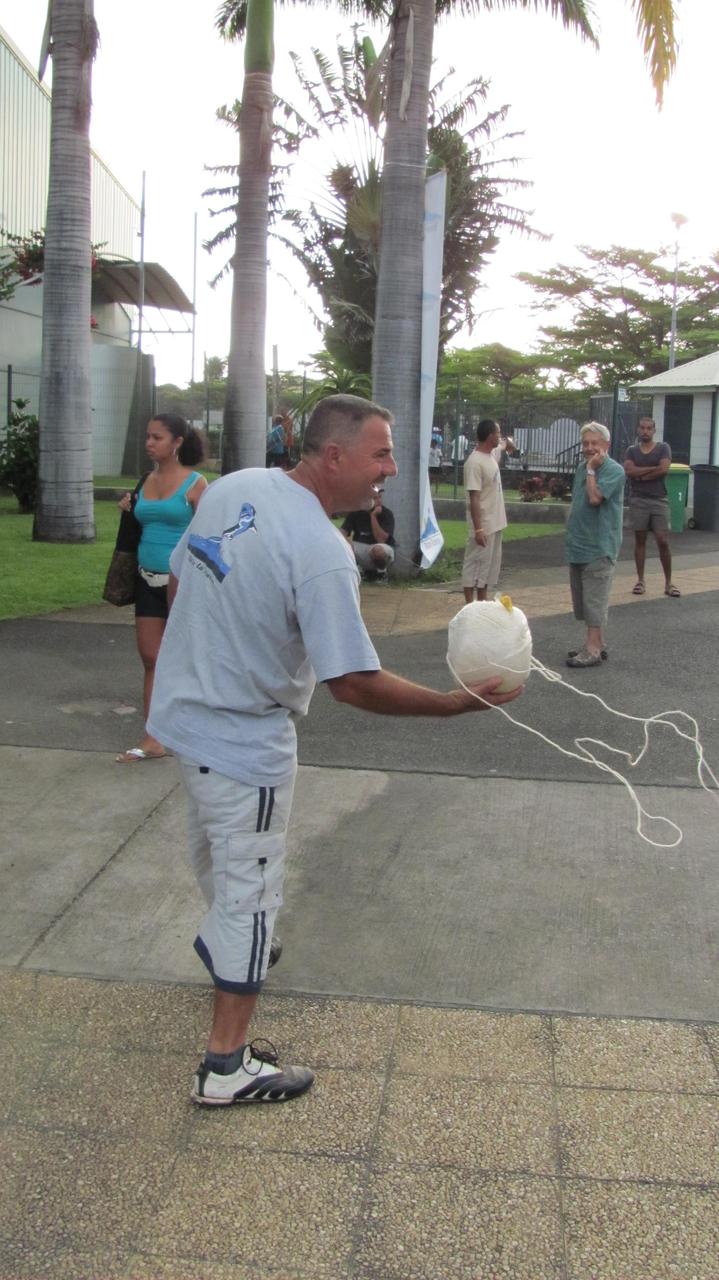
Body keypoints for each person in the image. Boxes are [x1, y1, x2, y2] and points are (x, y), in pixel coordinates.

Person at [147, 393, 523, 1107]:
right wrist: (451, 705)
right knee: (252, 899)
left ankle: (222, 943)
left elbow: (197, 568)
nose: (389, 468)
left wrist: (358, 551)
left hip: (183, 718)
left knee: (214, 858)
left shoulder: (235, 487)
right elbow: (352, 682)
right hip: (241, 743)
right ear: (333, 456)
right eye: (380, 453)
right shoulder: (320, 556)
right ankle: (226, 1068)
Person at [116, 414, 207, 763]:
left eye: (157, 437)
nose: (149, 443)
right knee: (151, 658)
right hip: (146, 580)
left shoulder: (196, 484)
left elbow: (210, 534)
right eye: (148, 437)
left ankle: (198, 730)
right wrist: (128, 506)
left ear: (177, 442)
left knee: (190, 661)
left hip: (185, 585)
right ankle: (154, 738)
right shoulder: (144, 481)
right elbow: (139, 522)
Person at [565, 422, 625, 669]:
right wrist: (587, 469)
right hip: (579, 544)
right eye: (585, 443)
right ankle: (597, 643)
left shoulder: (613, 470)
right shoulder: (582, 468)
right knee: (584, 600)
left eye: (594, 443)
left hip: (599, 545)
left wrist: (591, 470)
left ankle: (592, 650)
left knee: (594, 599)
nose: (589, 448)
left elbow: (594, 498)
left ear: (606, 445)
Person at [624, 416, 680, 598]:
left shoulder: (663, 448)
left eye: (649, 428)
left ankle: (669, 583)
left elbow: (664, 468)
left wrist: (641, 474)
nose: (645, 431)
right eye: (642, 428)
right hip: (638, 500)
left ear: (654, 430)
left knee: (662, 540)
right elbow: (629, 471)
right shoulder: (631, 451)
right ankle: (640, 580)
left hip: (659, 499)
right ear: (638, 429)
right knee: (640, 541)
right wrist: (651, 469)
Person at [462, 419, 507, 604]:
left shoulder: (491, 455)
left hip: (496, 523)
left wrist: (508, 444)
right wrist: (478, 529)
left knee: (488, 568)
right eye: (498, 433)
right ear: (489, 436)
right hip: (484, 524)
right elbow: (474, 497)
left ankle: (482, 602)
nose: (500, 436)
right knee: (475, 564)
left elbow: (503, 445)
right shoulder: (474, 463)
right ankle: (469, 605)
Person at [341, 486, 396, 580]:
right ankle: (358, 571)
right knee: (344, 543)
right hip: (362, 549)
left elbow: (381, 540)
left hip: (382, 549)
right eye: (375, 498)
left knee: (377, 550)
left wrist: (373, 516)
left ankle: (381, 573)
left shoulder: (387, 513)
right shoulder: (356, 512)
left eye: (380, 497)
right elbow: (343, 532)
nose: (379, 500)